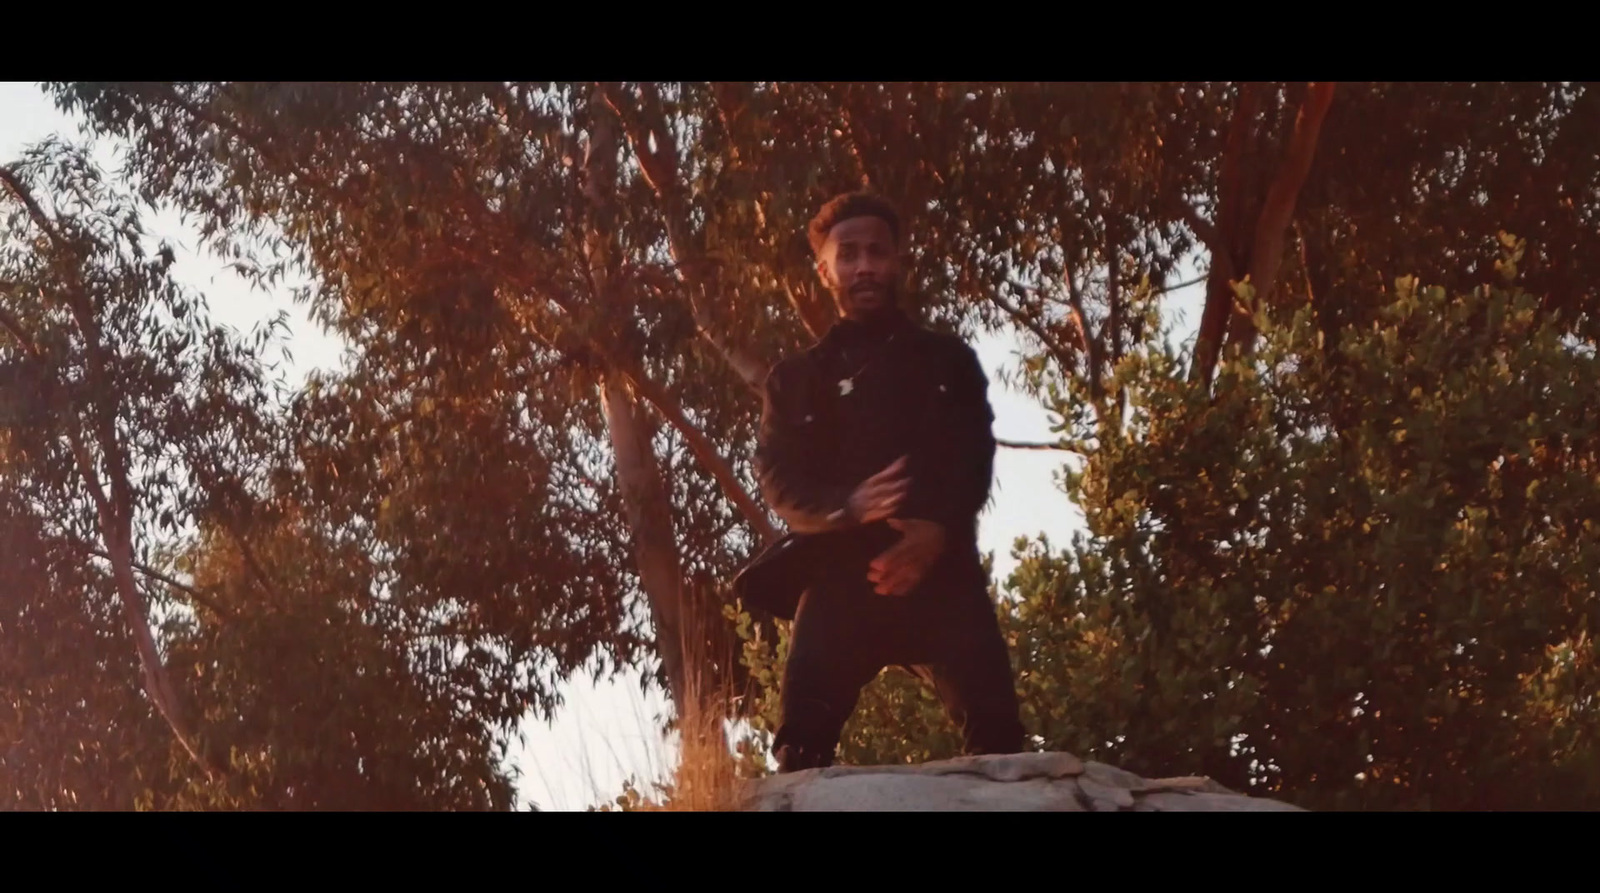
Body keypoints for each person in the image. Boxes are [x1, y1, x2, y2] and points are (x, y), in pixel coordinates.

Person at [732, 191, 1026, 773]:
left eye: (877, 252)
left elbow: (974, 456)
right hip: (839, 584)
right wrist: (846, 507)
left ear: (897, 261)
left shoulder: (950, 360)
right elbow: (778, 480)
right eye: (849, 255)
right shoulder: (794, 379)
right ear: (824, 271)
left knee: (1003, 749)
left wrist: (935, 535)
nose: (864, 265)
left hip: (945, 579)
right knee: (799, 753)